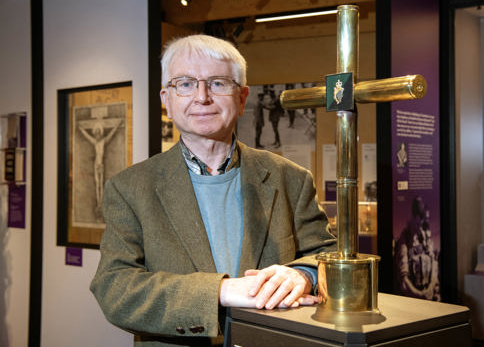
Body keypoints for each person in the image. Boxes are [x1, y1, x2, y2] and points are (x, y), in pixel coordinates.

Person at [90, 34, 336, 347]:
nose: (202, 96)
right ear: (166, 100)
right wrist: (221, 291)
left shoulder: (290, 179)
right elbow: (115, 288)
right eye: (185, 84)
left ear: (243, 98)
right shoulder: (130, 188)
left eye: (218, 83)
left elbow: (326, 255)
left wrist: (304, 275)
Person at [394, 196, 440, 301]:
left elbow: (434, 268)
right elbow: (403, 278)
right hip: (413, 298)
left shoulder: (427, 239)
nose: (424, 223)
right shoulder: (405, 239)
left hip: (429, 295)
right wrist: (419, 294)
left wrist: (429, 290)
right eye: (421, 217)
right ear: (415, 217)